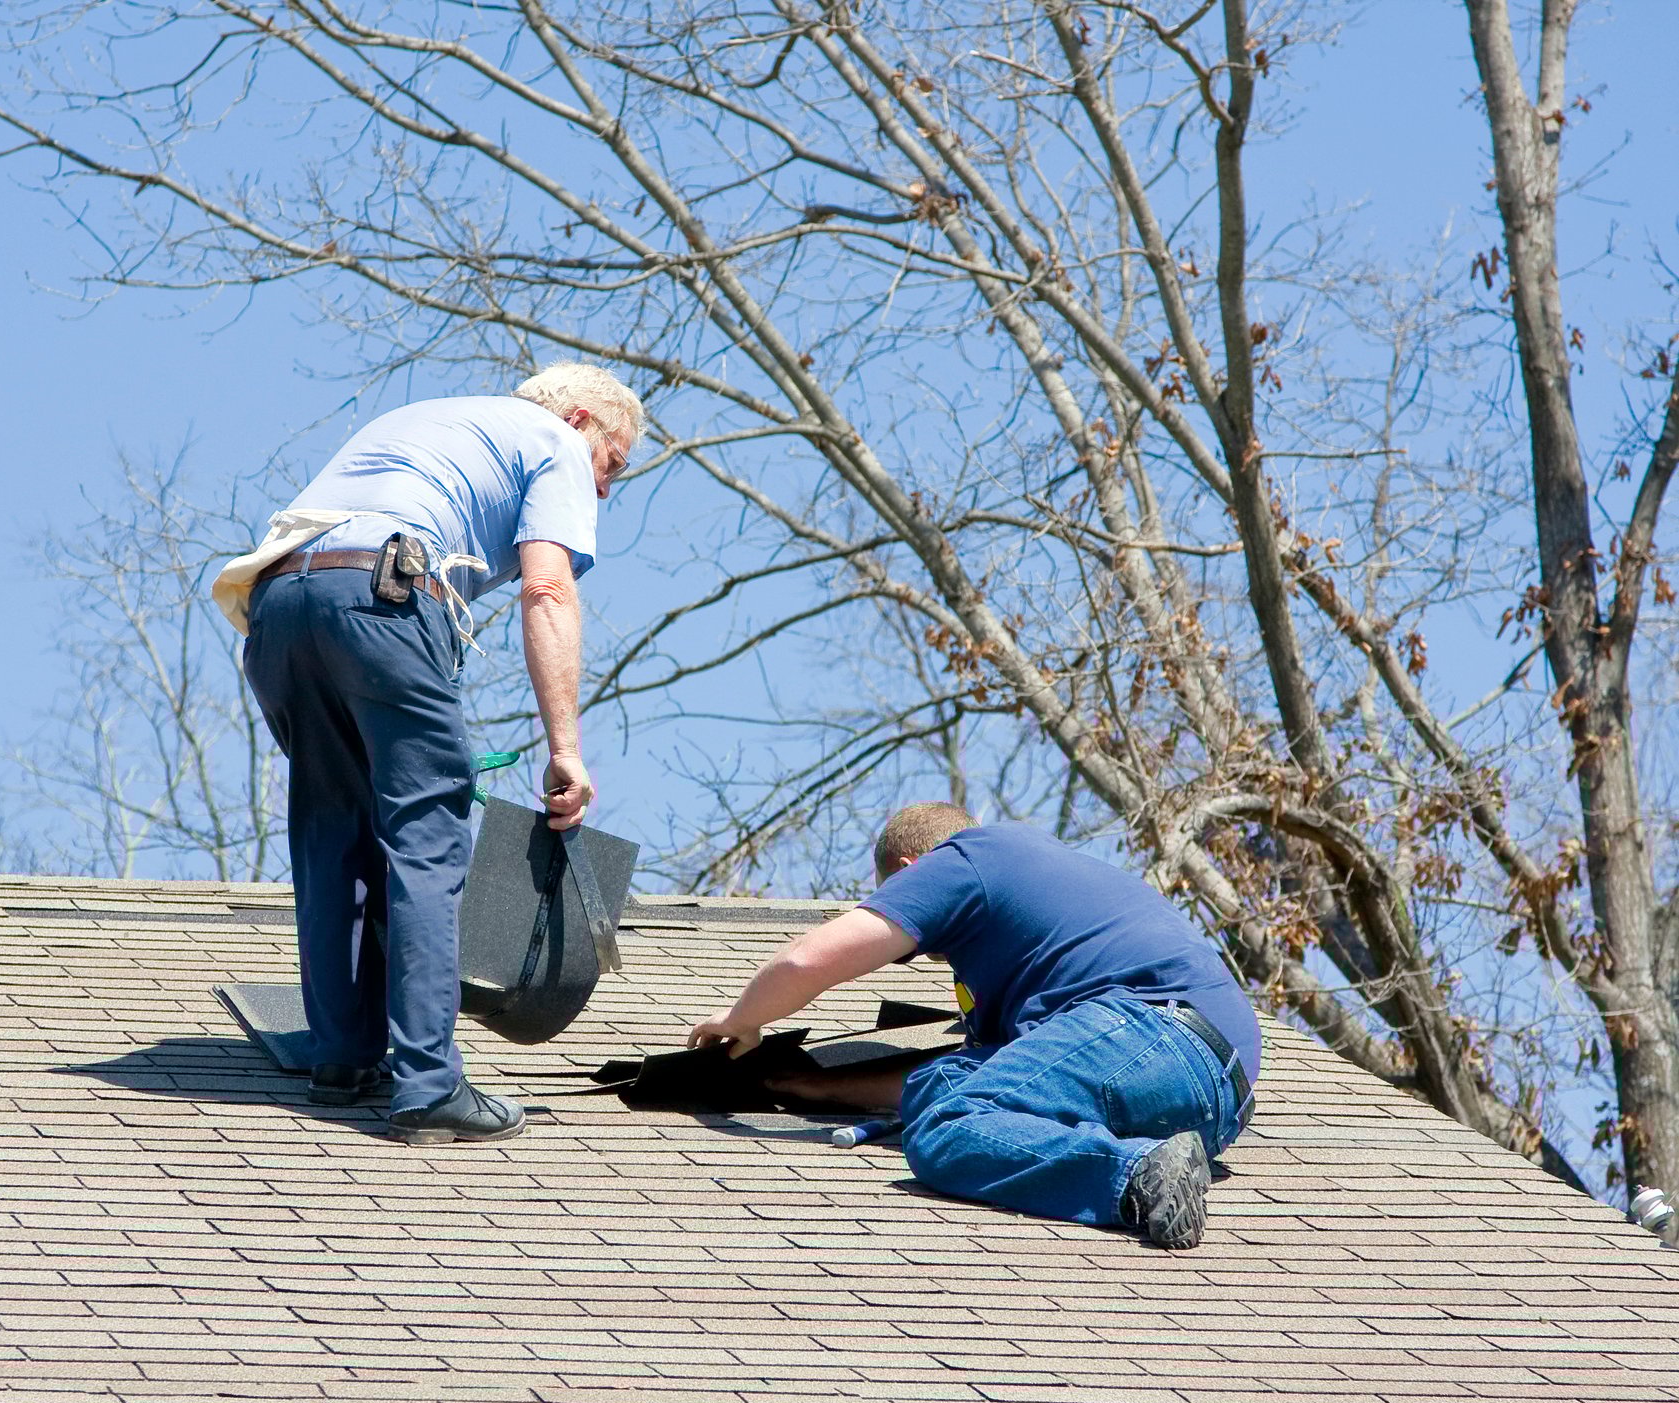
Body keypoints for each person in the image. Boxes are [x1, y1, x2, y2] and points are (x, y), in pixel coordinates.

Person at [214, 364, 641, 1145]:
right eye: (613, 464)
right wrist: (565, 750)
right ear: (582, 420)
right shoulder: (553, 441)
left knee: (330, 830)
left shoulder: (432, 421)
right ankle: (429, 1085)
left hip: (278, 605)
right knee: (426, 838)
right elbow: (547, 589)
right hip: (384, 595)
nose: (605, 489)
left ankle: (342, 1058)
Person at [688, 802, 1261, 1248]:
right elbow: (980, 1079)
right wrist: (818, 1089)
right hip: (1211, 1103)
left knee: (943, 1129)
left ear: (911, 872)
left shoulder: (965, 858)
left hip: (1151, 1032)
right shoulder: (1042, 915)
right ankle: (1158, 1161)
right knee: (948, 1086)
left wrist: (741, 1019)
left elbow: (808, 960)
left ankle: (1135, 1172)